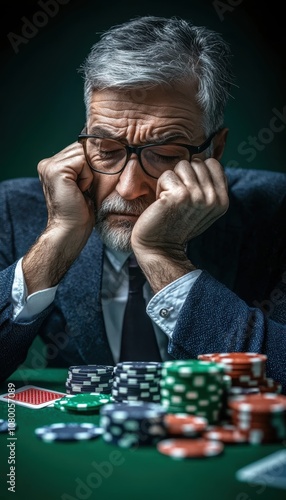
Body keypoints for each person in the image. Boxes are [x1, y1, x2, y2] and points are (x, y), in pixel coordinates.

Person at [0, 16, 286, 393]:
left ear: (214, 150)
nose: (130, 187)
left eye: (165, 154)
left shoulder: (277, 210)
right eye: (106, 149)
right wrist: (56, 241)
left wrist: (164, 257)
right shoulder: (14, 209)